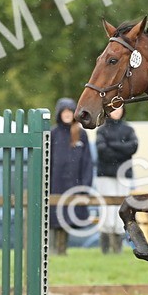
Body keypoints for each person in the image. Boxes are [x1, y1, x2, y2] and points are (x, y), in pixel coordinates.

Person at [49, 97, 94, 254]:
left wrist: (85, 186)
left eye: (70, 111)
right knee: (55, 218)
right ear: (59, 113)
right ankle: (53, 251)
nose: (67, 115)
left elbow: (88, 162)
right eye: (64, 112)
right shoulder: (52, 134)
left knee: (68, 218)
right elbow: (47, 161)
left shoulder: (81, 134)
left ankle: (62, 251)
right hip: (55, 184)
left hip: (75, 184)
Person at [94, 104, 138, 254]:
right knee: (106, 210)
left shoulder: (128, 129)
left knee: (121, 209)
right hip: (105, 175)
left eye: (119, 108)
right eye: (113, 109)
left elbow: (133, 147)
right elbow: (102, 150)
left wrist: (112, 146)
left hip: (124, 176)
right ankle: (105, 248)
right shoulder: (101, 129)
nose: (116, 111)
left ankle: (117, 248)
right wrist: (122, 150)